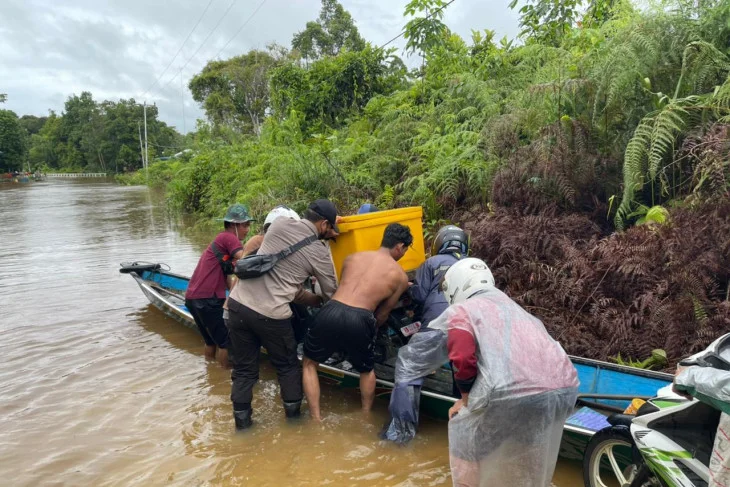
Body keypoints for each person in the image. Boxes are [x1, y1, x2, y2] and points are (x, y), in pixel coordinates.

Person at [432, 257, 579, 486]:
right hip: (565, 386)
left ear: (456, 288)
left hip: (515, 392)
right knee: (526, 454)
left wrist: (466, 400)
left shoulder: (464, 310)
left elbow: (462, 357)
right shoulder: (512, 308)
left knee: (464, 433)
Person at [226, 199, 339, 429]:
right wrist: (320, 299)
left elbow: (284, 282)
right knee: (287, 367)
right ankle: (294, 425)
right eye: (331, 228)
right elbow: (331, 293)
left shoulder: (278, 226)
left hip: (237, 305)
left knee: (244, 371)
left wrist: (310, 299)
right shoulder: (318, 251)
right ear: (325, 224)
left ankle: (243, 427)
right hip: (271, 316)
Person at [302, 223, 413, 421]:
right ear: (399, 247)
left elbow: (344, 286)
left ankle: (316, 419)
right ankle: (365, 416)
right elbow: (382, 315)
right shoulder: (400, 276)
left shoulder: (352, 258)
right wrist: (369, 332)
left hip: (331, 310)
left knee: (310, 363)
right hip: (361, 317)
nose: (403, 253)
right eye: (405, 249)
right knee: (366, 370)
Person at [184, 204, 254, 367]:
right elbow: (246, 259)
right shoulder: (229, 238)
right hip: (208, 299)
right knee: (226, 342)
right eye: (245, 225)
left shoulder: (221, 242)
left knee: (210, 342)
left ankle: (211, 376)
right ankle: (223, 382)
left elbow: (228, 276)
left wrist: (233, 296)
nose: (248, 229)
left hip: (193, 298)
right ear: (233, 225)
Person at [411, 225, 469, 328]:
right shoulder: (472, 263)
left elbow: (419, 296)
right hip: (467, 321)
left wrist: (409, 288)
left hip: (435, 321)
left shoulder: (431, 262)